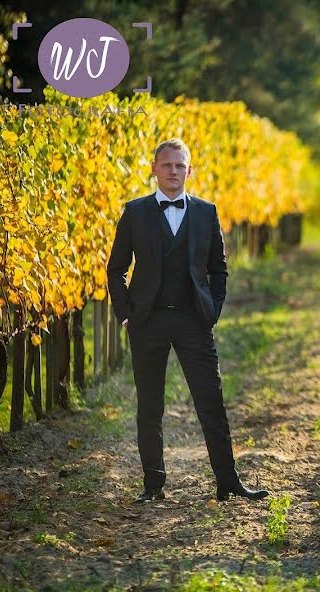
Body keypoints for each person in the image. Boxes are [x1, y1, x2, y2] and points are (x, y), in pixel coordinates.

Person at [106, 138, 268, 503]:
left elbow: (218, 269)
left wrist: (213, 310)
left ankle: (228, 481)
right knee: (149, 406)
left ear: (189, 170)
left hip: (194, 322)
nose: (173, 171)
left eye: (180, 166)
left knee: (211, 402)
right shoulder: (135, 212)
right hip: (147, 323)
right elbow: (115, 270)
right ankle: (153, 486)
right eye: (167, 165)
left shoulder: (207, 212)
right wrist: (126, 315)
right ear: (154, 169)